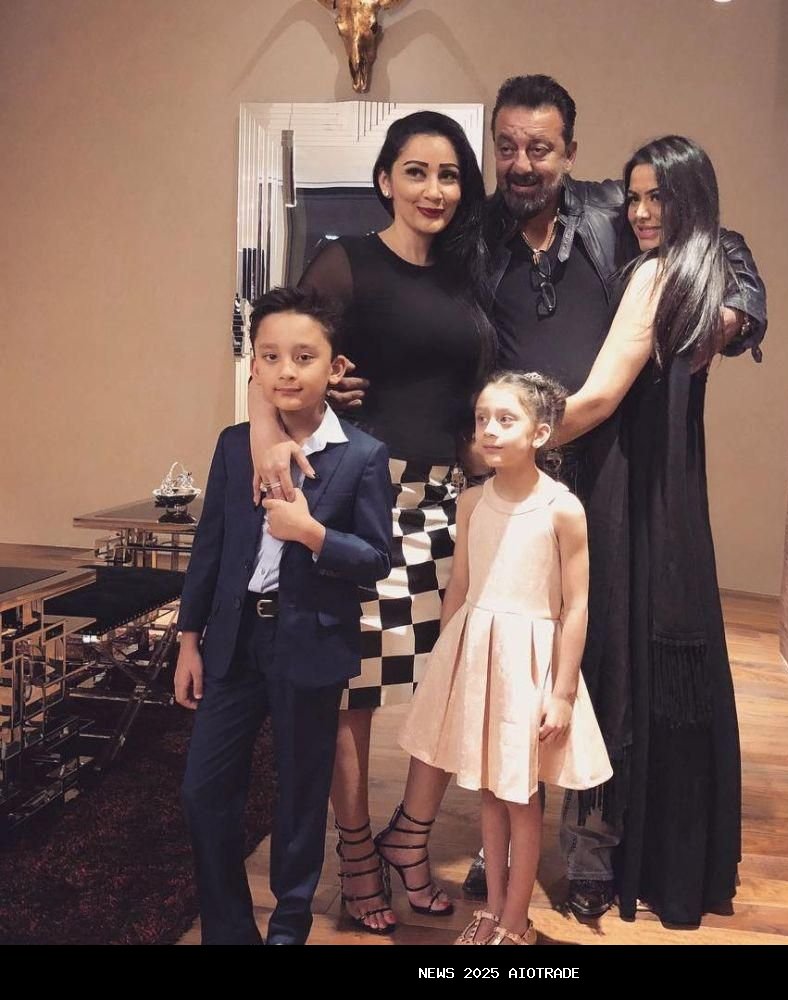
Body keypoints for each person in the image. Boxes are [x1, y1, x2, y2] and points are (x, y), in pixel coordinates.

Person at [459, 74, 767, 919]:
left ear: (569, 150)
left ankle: (591, 842)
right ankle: (502, 842)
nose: (522, 163)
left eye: (540, 147)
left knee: (599, 654)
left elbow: (717, 238)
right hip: (509, 476)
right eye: (508, 147)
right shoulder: (474, 237)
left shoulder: (610, 211)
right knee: (511, 654)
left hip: (607, 472)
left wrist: (739, 311)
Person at [250, 111, 493, 933]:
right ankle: (355, 853)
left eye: (449, 174)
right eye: (416, 171)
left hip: (449, 501)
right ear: (385, 179)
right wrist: (268, 441)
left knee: (449, 681)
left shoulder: (469, 276)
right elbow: (279, 355)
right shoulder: (345, 261)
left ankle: (410, 839)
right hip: (364, 495)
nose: (434, 189)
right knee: (352, 690)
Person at [559, 135, 753, 925]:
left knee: (611, 659)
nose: (640, 212)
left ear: (689, 199)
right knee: (658, 660)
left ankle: (600, 855)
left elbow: (600, 399)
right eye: (634, 197)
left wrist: (502, 440)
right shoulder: (695, 270)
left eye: (657, 197)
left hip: (623, 481)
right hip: (670, 490)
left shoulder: (662, 271)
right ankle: (668, 859)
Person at [176, 286, 392, 945]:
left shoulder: (362, 454)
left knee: (299, 795)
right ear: (255, 368)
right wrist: (189, 639)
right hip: (234, 638)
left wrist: (312, 534)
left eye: (304, 356)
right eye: (270, 357)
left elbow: (376, 559)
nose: (286, 371)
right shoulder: (233, 444)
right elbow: (211, 546)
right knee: (203, 790)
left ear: (335, 367)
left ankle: (289, 928)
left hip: (310, 642)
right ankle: (229, 931)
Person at [399, 371, 612, 945]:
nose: (489, 430)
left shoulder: (562, 509)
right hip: (479, 658)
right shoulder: (472, 502)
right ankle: (493, 910)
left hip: (529, 666)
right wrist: (445, 665)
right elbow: (460, 586)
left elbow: (577, 606)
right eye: (481, 419)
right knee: (490, 792)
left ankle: (518, 921)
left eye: (505, 419)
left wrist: (562, 692)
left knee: (521, 796)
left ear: (540, 433)